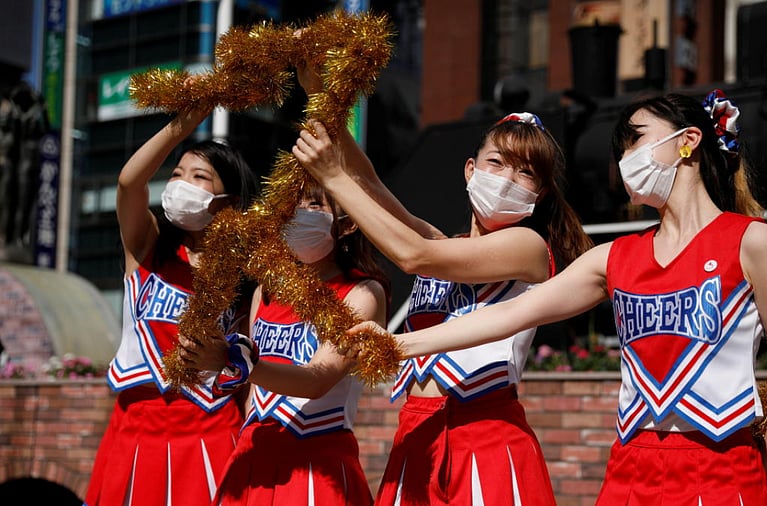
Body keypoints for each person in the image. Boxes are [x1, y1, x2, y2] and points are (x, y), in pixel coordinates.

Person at [340, 90, 767, 505]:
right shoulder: (615, 256)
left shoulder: (752, 240)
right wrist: (396, 345)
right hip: (629, 467)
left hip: (723, 466)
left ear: (688, 141)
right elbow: (514, 312)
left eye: (635, 138)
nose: (624, 157)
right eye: (620, 149)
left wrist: (760, 468)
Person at [293, 108, 593, 505]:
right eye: (496, 163)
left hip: (486, 436)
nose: (506, 180)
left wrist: (332, 178)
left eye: (525, 172)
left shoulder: (528, 247)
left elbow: (412, 256)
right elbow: (370, 183)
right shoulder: (444, 244)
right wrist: (325, 100)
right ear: (470, 170)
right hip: (417, 432)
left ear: (539, 194)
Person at [84, 102, 259, 506]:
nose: (181, 183)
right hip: (133, 428)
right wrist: (184, 123)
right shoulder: (146, 246)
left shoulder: (246, 274)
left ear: (227, 201)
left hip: (210, 428)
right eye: (177, 173)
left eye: (199, 176)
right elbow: (130, 183)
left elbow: (248, 363)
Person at [178, 178, 389, 505]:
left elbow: (317, 380)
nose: (299, 214)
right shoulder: (266, 289)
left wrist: (235, 361)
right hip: (251, 458)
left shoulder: (363, 293)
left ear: (346, 225)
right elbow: (252, 395)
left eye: (315, 205)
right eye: (293, 204)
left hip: (317, 462)